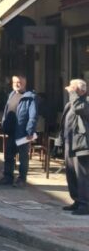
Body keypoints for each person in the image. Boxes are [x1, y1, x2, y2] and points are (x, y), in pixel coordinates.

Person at [55, 78, 89, 215]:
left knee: (82, 176)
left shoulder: (85, 102)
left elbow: (79, 109)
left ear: (80, 90)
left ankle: (85, 204)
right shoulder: (70, 103)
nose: (69, 89)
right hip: (70, 144)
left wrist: (73, 94)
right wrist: (60, 140)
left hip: (82, 144)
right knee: (71, 174)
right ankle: (77, 200)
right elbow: (64, 123)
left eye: (72, 87)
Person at [0, 74, 38, 187]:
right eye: (15, 82)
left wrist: (30, 131)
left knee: (23, 157)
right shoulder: (11, 94)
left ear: (25, 83)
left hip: (22, 132)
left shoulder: (30, 97)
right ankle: (8, 177)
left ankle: (21, 179)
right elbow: (6, 111)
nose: (17, 84)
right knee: (8, 155)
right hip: (11, 131)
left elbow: (33, 116)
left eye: (19, 82)